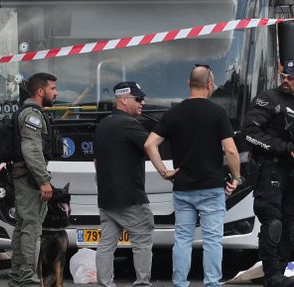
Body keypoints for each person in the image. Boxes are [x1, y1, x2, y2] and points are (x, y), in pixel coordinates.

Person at [145, 65, 241, 287]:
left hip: (183, 189)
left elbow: (150, 144)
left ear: (189, 84)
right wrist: (236, 177)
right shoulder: (217, 113)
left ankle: (180, 283)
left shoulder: (173, 114)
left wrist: (164, 172)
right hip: (211, 188)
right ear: (210, 84)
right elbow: (230, 150)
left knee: (183, 239)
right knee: (212, 240)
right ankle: (212, 283)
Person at [241, 59, 294, 287]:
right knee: (272, 223)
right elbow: (248, 132)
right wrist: (283, 147)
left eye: (291, 77)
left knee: (292, 226)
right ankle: (272, 274)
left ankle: (280, 272)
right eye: (283, 76)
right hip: (270, 169)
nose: (285, 80)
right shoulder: (269, 99)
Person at [93, 81, 154, 287]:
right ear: (124, 100)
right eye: (138, 99)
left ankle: (105, 284)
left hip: (106, 197)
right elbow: (151, 145)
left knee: (106, 244)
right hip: (130, 198)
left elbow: (97, 161)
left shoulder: (103, 124)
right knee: (142, 241)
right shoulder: (129, 124)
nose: (142, 103)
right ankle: (142, 283)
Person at [9, 72, 57, 287]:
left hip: (27, 177)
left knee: (23, 227)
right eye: (52, 89)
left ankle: (17, 278)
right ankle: (27, 279)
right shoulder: (32, 115)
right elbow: (31, 149)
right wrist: (43, 180)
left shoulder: (32, 113)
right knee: (31, 228)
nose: (56, 93)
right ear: (40, 91)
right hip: (29, 179)